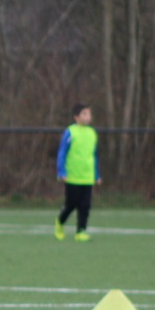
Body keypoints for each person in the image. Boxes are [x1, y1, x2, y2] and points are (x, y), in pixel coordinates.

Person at [55, 103, 100, 242]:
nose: (88, 117)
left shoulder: (92, 133)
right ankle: (60, 222)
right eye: (84, 114)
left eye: (89, 114)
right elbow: (62, 152)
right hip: (72, 176)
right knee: (71, 204)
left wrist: (97, 174)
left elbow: (94, 155)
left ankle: (81, 231)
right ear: (76, 117)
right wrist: (61, 171)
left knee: (85, 206)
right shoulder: (70, 132)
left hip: (87, 177)